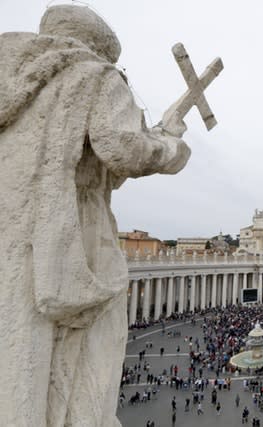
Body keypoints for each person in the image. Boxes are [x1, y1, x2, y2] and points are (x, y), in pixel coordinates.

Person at [0, 5, 190, 426]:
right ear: (104, 50)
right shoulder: (94, 75)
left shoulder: (12, 79)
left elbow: (102, 165)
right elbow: (124, 152)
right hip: (70, 230)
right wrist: (170, 140)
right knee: (91, 353)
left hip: (10, 228)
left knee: (15, 356)